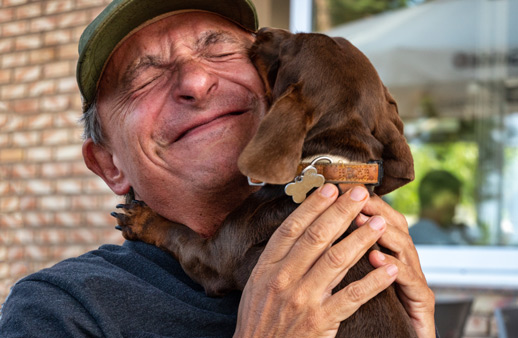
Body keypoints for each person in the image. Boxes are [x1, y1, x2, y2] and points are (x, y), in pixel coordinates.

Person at [0, 0, 436, 336]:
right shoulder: (61, 310)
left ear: (274, 88)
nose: (195, 81)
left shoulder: (380, 258)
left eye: (220, 48)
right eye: (144, 77)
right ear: (110, 165)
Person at [410, 170, 472, 245]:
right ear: (442, 201)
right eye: (454, 204)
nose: (454, 213)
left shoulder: (406, 236)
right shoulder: (444, 244)